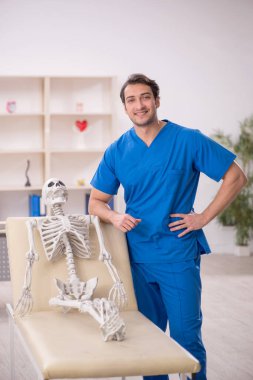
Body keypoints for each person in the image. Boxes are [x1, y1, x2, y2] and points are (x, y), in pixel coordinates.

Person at [88, 73, 247, 380]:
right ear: (125, 108)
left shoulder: (187, 139)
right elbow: (96, 202)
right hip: (135, 257)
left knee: (186, 337)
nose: (139, 105)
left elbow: (236, 177)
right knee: (149, 339)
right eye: (131, 100)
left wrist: (202, 217)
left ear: (157, 101)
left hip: (177, 254)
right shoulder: (117, 150)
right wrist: (114, 217)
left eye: (145, 97)